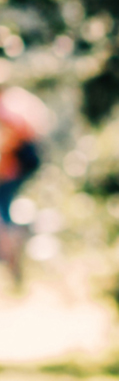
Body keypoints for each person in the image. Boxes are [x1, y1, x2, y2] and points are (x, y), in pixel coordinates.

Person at [0, 87, 48, 296]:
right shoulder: (14, 99)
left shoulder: (7, 108)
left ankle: (11, 259)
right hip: (20, 164)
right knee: (5, 213)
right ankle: (13, 262)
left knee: (3, 215)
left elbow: (10, 140)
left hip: (15, 166)